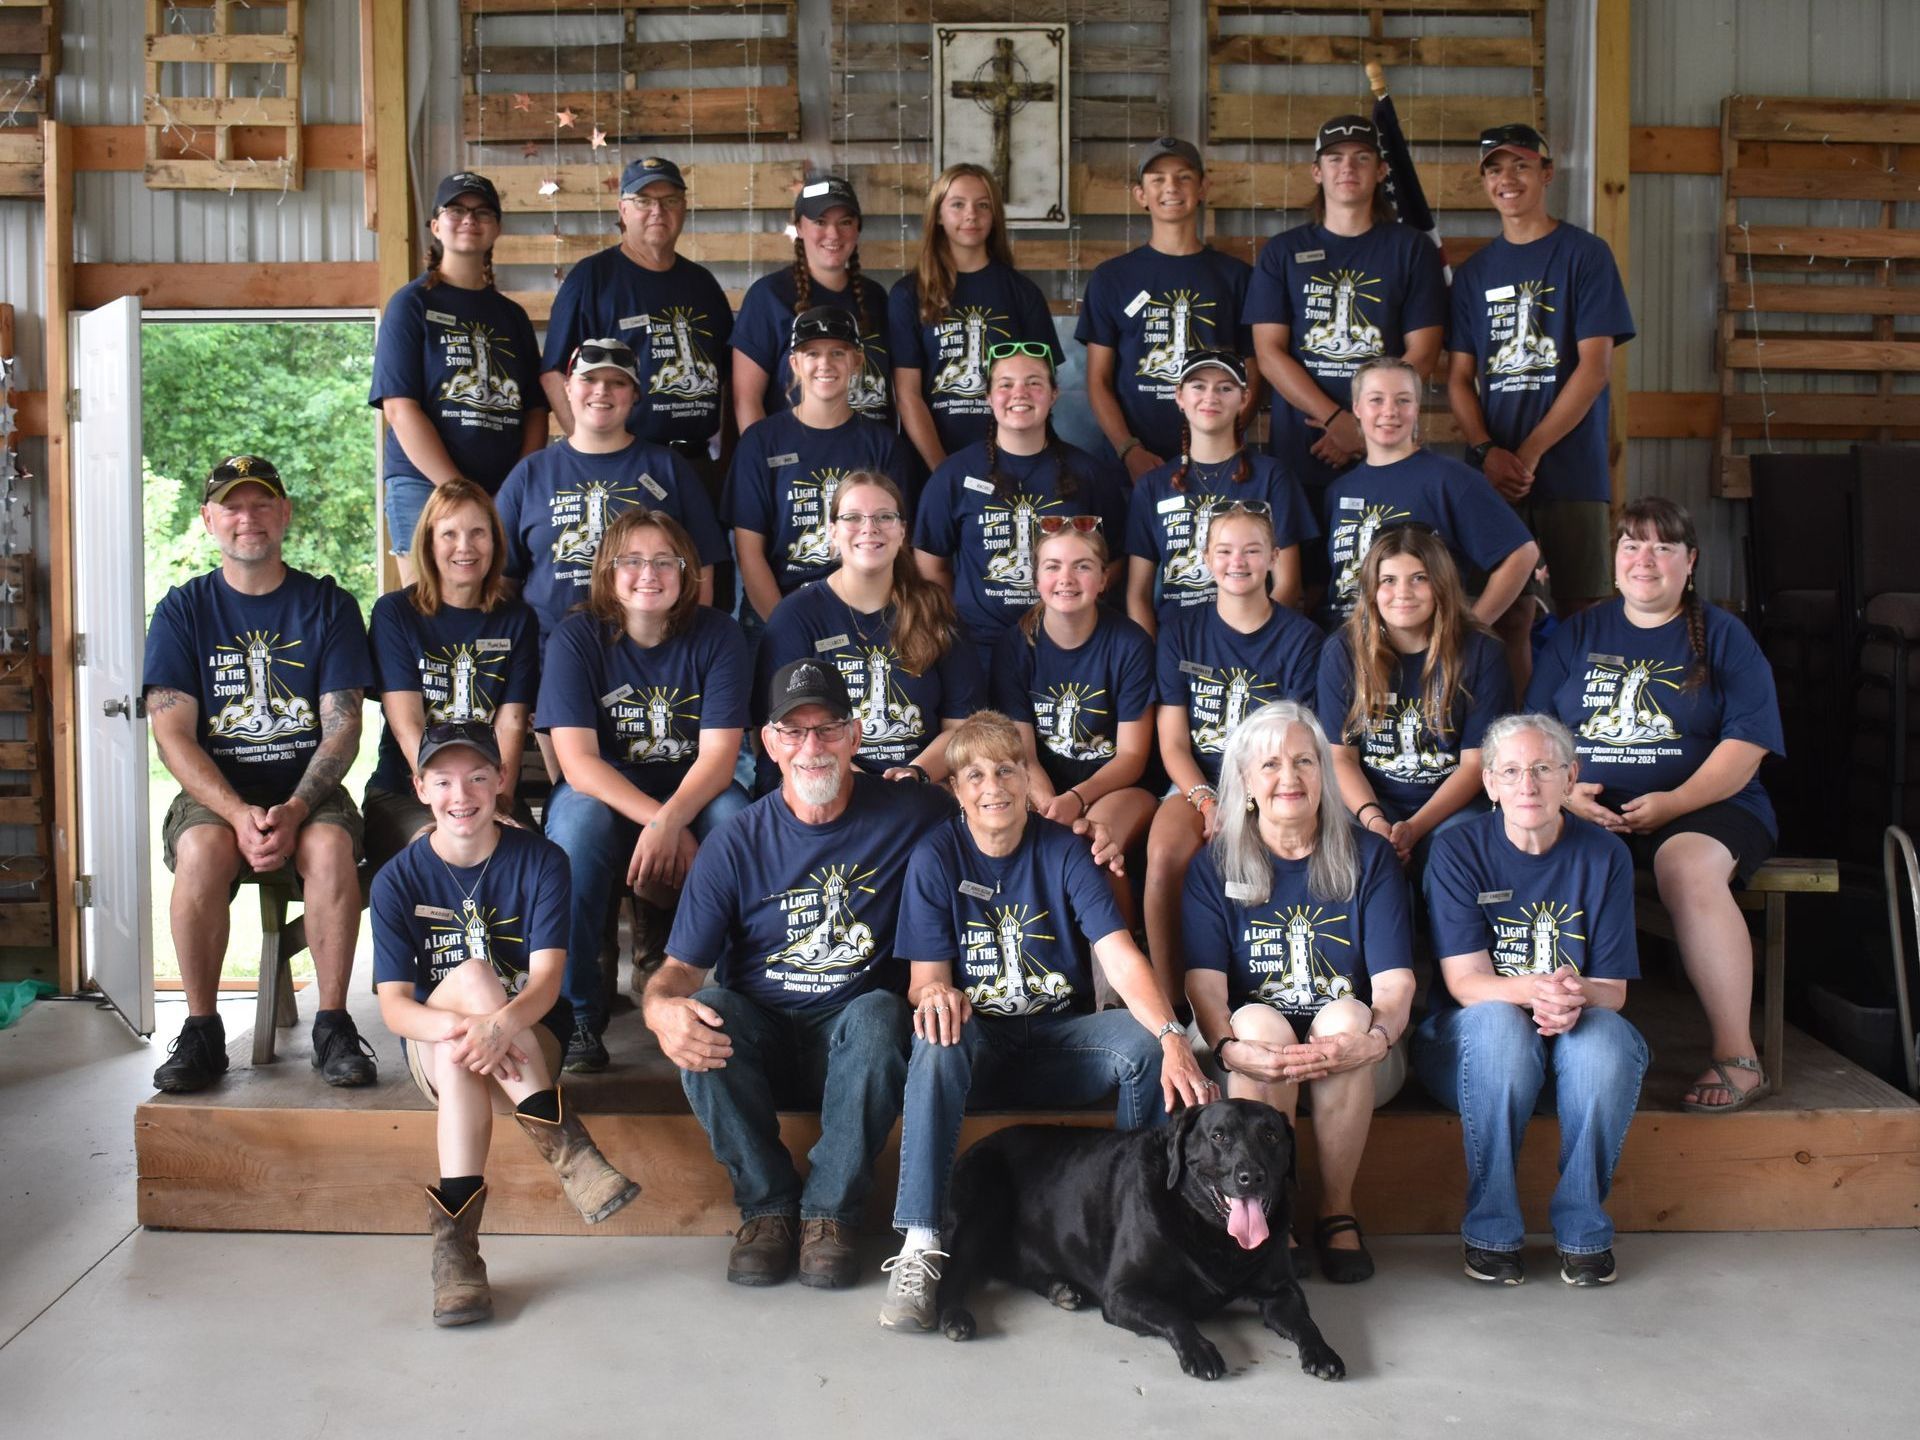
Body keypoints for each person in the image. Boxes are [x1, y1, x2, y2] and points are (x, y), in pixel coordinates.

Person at [879, 711, 1213, 1332]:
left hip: (1061, 1044)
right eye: (975, 774)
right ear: (956, 790)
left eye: (1007, 769)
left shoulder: (1062, 850)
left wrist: (1172, 1036)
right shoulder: (936, 855)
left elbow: (1120, 955)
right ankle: (921, 1242)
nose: (994, 786)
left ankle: (1133, 1225)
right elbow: (925, 980)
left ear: (1028, 777)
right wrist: (936, 998)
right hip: (980, 1050)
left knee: (1142, 1043)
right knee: (935, 1035)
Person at [639, 660, 954, 1291]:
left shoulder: (912, 811)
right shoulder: (735, 841)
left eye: (829, 729)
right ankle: (767, 1209)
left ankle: (830, 1215)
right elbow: (676, 973)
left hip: (857, 1042)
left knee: (881, 1011)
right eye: (794, 731)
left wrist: (1081, 831)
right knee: (708, 1010)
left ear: (856, 736)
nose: (813, 747)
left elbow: (994, 826)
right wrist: (659, 1011)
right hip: (764, 1043)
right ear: (770, 744)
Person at [371, 722, 640, 1326]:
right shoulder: (396, 879)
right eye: (442, 780)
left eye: (476, 777)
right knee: (467, 992)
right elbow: (395, 1009)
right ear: (419, 788)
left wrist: (495, 1025)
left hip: (531, 1035)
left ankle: (456, 1255)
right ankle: (570, 1151)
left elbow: (545, 984)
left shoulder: (543, 860)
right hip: (438, 1045)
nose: (459, 794)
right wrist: (468, 1029)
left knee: (475, 1002)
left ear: (500, 782)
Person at [1526, 498, 1784, 1113]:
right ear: (1614, 562)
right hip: (1589, 806)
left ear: (1689, 562)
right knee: (1542, 854)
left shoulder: (1724, 635)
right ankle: (1548, 1041)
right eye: (1632, 545)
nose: (1646, 559)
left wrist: (1674, 803)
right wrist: (1565, 792)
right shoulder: (1579, 631)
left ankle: (1738, 1057)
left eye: (1663, 547)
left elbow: (1746, 748)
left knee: (1685, 868)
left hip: (1708, 804)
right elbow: (1534, 728)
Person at [142, 455, 377, 1092]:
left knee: (329, 847)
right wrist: (236, 811)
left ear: (285, 514)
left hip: (308, 791)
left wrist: (297, 808)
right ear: (209, 519)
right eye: (233, 507)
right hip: (218, 798)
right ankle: (201, 1031)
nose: (248, 519)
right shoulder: (184, 611)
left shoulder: (326, 606)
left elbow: (344, 726)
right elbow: (171, 732)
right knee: (201, 850)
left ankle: (332, 1024)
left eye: (262, 504)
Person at [1183, 702, 1415, 1284]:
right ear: (1245, 781)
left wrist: (1375, 1039)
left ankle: (1337, 1209)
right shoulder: (1214, 864)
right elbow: (1205, 987)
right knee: (1257, 1020)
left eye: (1304, 761)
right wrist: (1231, 1047)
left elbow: (1394, 984)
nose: (1289, 777)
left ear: (1324, 773)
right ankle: (1266, 1211)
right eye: (1271, 765)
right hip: (1251, 1059)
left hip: (1357, 1062)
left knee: (1346, 1013)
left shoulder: (1370, 856)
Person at [1416, 713, 1648, 1287]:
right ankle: (1491, 1229)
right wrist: (1540, 989)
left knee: (1605, 1040)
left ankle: (1583, 1230)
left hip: (1570, 1033)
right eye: (1512, 771)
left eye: (1543, 769)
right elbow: (1466, 984)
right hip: (1479, 1050)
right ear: (1489, 783)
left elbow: (1613, 992)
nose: (1528, 785)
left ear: (1571, 778)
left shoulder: (1605, 855)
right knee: (1498, 1024)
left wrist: (1573, 995)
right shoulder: (1457, 850)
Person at [537, 509, 752, 1072]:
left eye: (664, 561)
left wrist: (671, 820)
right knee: (577, 832)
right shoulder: (577, 636)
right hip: (603, 794)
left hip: (695, 794)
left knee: (734, 821)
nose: (647, 574)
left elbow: (720, 760)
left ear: (687, 573)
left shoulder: (719, 635)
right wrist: (660, 822)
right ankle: (578, 1011)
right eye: (631, 560)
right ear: (608, 571)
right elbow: (578, 764)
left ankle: (736, 1001)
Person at [1447, 122, 1635, 616]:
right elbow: (1458, 378)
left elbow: (1594, 369)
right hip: (1493, 474)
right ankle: (1515, 700)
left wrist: (1527, 455)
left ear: (1546, 173)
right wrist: (1487, 452)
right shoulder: (1474, 274)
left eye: (1520, 165)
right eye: (1494, 169)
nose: (1506, 178)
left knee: (1584, 608)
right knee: (1503, 613)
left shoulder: (1586, 255)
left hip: (1572, 469)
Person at [1143, 502, 1325, 1009]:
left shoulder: (1302, 638)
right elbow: (1174, 742)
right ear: (1205, 557)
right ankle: (1170, 1010)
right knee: (1163, 857)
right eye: (1224, 550)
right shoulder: (1179, 628)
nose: (1237, 562)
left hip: (1274, 784)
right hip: (1196, 780)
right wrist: (1206, 802)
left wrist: (1246, 802)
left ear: (1274, 558)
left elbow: (1296, 744)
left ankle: (1245, 1001)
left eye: (1251, 550)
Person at [1247, 116, 1447, 566]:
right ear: (1317, 172)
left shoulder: (1410, 249)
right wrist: (1335, 418)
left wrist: (1364, 429)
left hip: (1385, 454)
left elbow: (1425, 352)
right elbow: (1269, 353)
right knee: (1304, 584)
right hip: (1301, 451)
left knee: (1382, 579)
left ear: (1381, 171)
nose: (1347, 168)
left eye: (1362, 158)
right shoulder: (1283, 252)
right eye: (1334, 158)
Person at [1323, 357, 1539, 693]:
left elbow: (1522, 553)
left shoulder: (1449, 480)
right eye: (1376, 399)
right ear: (1357, 408)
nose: (1390, 411)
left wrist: (1466, 629)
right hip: (1356, 659)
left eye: (1403, 400)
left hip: (1426, 664)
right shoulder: (1339, 489)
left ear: (1417, 407)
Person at [370, 172, 546, 583]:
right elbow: (399, 408)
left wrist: (514, 488)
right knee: (426, 613)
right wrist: (461, 492)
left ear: (496, 228)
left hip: (501, 490)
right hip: (423, 485)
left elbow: (536, 411)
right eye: (457, 210)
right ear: (435, 225)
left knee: (499, 608)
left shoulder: (512, 317)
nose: (470, 219)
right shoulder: (410, 304)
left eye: (483, 211)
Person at [913, 343, 1131, 673]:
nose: (1020, 393)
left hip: (1067, 646)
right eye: (1006, 384)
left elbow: (1117, 559)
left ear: (1054, 394)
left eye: (1034, 383)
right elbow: (931, 566)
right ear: (988, 396)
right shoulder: (955, 475)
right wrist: (957, 626)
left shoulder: (1089, 474)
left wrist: (1072, 605)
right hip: (979, 650)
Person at [757, 472, 981, 792]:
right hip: (822, 784)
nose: (869, 527)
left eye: (884, 517)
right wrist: (863, 788)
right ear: (832, 531)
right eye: (852, 517)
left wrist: (915, 773)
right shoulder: (795, 616)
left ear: (903, 531)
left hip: (920, 789)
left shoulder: (934, 608)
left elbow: (962, 724)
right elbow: (781, 732)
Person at [495, 338, 726, 646]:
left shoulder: (668, 468)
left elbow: (701, 569)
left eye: (617, 382)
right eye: (589, 379)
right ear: (567, 387)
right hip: (548, 658)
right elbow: (500, 580)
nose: (601, 390)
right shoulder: (529, 473)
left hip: (647, 655)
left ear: (635, 395)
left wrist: (682, 650)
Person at [362, 478, 539, 871]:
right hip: (408, 792)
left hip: (489, 790)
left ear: (495, 542)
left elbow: (510, 723)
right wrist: (448, 804)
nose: (465, 546)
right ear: (428, 542)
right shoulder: (396, 614)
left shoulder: (516, 619)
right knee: (443, 850)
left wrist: (497, 802)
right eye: (450, 534)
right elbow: (407, 724)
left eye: (478, 532)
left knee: (529, 858)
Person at [1317, 525, 1512, 876]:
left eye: (1419, 578)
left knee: (1455, 854)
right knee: (1359, 856)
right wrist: (1375, 820)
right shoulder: (1343, 651)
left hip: (1454, 803)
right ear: (1371, 590)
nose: (1402, 592)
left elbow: (1475, 766)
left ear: (1440, 585)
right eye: (1388, 580)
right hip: (1370, 799)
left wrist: (1415, 827)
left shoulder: (1482, 652)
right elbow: (1339, 757)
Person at [993, 519, 1157, 931]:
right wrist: (1049, 802)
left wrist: (1076, 800)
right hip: (1042, 781)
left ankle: (1122, 971)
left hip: (1120, 786)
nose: (1066, 578)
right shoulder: (1016, 645)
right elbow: (1023, 751)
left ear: (1103, 579)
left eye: (1082, 566)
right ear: (1036, 578)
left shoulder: (1129, 643)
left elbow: (1133, 757)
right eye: (1052, 566)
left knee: (1095, 843)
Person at [726, 308, 918, 635]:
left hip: (866, 618)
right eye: (812, 353)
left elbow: (900, 545)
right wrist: (788, 631)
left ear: (857, 361)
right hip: (776, 612)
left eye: (838, 353)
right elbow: (749, 553)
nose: (825, 364)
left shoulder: (884, 445)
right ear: (794, 364)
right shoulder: (761, 442)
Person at [1077, 137, 1257, 482]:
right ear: (1140, 194)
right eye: (1157, 179)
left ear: (1203, 187)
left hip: (1218, 462)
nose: (1171, 187)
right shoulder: (1111, 278)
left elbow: (1252, 371)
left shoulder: (1236, 277)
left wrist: (1218, 443)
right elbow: (1098, 380)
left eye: (1184, 177)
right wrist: (1129, 450)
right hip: (1133, 465)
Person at [538, 156, 732, 459]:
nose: (658, 211)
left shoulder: (703, 284)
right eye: (643, 200)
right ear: (623, 209)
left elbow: (728, 377)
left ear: (683, 208)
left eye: (670, 200)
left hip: (697, 462)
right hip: (624, 460)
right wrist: (590, 451)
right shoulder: (590, 279)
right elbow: (553, 372)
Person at [1124, 349, 1318, 635]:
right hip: (1177, 648)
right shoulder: (1152, 485)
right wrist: (1149, 658)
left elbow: (1288, 584)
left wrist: (1249, 642)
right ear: (1179, 397)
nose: (1211, 397)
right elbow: (1137, 595)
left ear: (1244, 399)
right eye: (1198, 386)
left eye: (1225, 388)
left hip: (1254, 648)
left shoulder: (1273, 476)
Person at [889, 163, 1059, 471]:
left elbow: (1042, 387)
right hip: (931, 464)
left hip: (1011, 462)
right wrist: (942, 471)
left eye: (983, 205)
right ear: (938, 215)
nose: (971, 214)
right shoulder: (908, 294)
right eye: (957, 205)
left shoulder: (1021, 292)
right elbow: (908, 394)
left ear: (995, 216)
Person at [732, 175, 892, 431]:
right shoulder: (768, 296)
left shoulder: (876, 297)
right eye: (820, 221)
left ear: (857, 229)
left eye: (845, 222)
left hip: (870, 459)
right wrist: (764, 462)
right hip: (798, 462)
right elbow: (746, 399)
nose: (833, 233)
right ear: (799, 227)